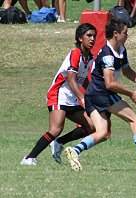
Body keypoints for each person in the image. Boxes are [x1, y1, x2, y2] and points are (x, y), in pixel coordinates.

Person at [64, 18, 136, 171]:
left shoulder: (120, 49)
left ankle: (75, 150)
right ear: (115, 34)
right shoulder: (107, 55)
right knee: (135, 120)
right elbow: (110, 83)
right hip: (102, 93)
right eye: (125, 33)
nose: (127, 35)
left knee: (102, 133)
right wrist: (131, 93)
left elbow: (126, 70)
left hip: (92, 94)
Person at [20, 23, 97, 166]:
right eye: (89, 35)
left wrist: (90, 94)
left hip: (72, 98)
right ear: (80, 38)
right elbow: (71, 79)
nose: (92, 39)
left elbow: (83, 79)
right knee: (56, 129)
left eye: (94, 36)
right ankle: (29, 158)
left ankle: (59, 142)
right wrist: (82, 98)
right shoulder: (76, 54)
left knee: (92, 126)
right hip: (59, 95)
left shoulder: (90, 57)